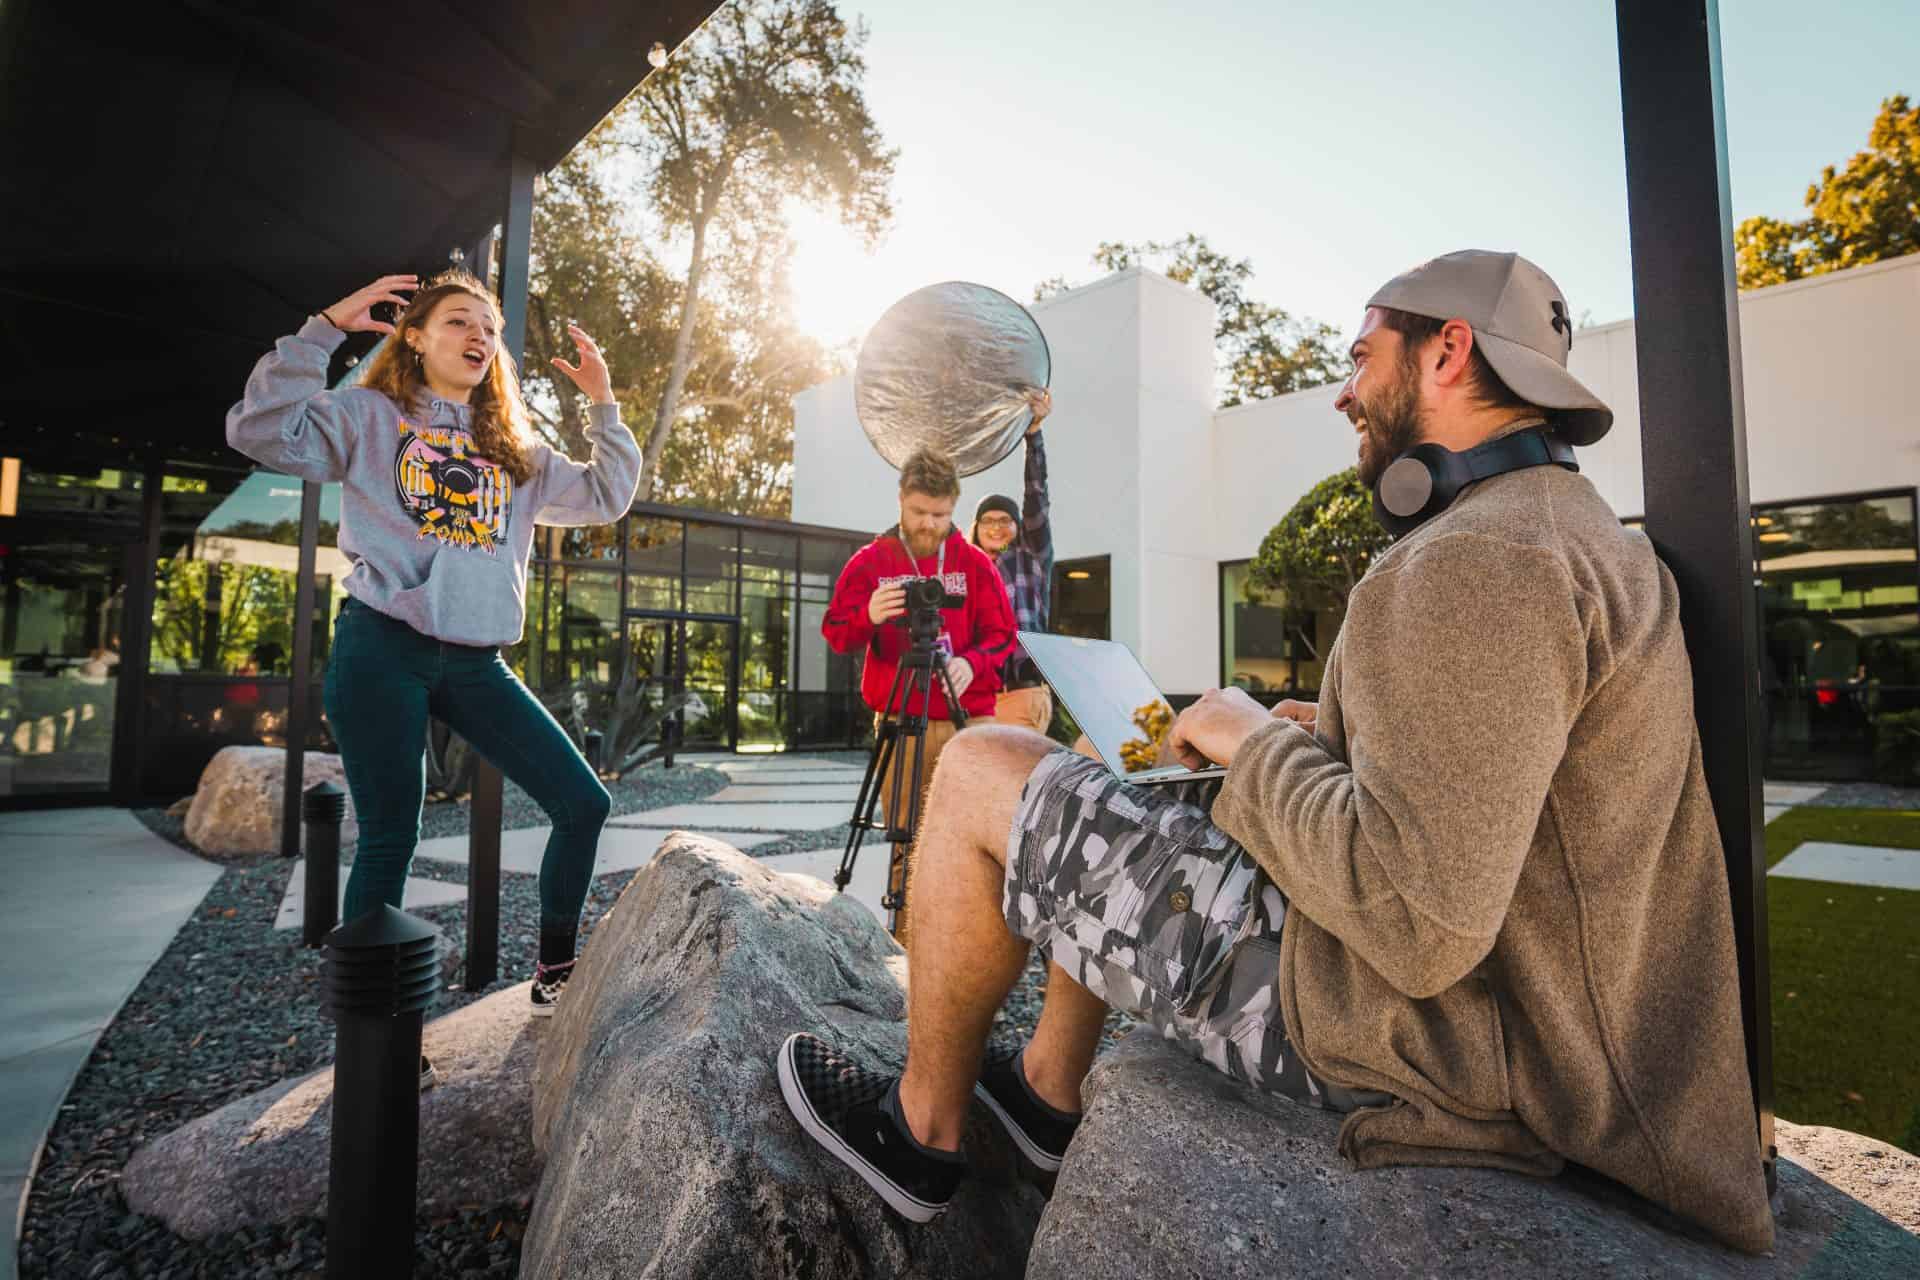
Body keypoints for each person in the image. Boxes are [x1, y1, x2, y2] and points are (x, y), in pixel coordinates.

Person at [775, 250, 1774, 1253]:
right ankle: (1044, 1092)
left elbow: (1415, 914)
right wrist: (1327, 736)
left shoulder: (1483, 559)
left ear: (1450, 350)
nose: (1346, 391)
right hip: (1517, 1030)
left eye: (1361, 356)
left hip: (1431, 1043)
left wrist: (1251, 740)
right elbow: (1496, 808)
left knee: (983, 762)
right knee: (1119, 763)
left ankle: (923, 1129)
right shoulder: (1569, 530)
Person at [226, 270, 639, 1060]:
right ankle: (372, 1037)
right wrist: (324, 326)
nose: (479, 336)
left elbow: (608, 493)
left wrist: (604, 403)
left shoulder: (515, 451)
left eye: (488, 327)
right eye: (457, 321)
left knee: (583, 804)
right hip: (384, 647)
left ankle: (555, 969)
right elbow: (260, 429)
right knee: (391, 835)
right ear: (414, 336)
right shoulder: (370, 417)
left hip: (477, 662)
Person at [822, 445, 1016, 933]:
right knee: (907, 838)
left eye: (941, 515)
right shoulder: (872, 561)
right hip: (901, 718)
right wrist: (868, 616)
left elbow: (1004, 636)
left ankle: (973, 943)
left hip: (968, 721)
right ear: (900, 500)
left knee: (978, 839)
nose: (929, 525)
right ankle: (908, 943)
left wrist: (972, 663)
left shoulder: (973, 564)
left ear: (953, 507)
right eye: (918, 512)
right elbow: (836, 632)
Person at [970, 389, 1056, 733]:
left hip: (1021, 692)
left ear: (1018, 528)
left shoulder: (1029, 558)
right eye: (987, 521)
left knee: (1017, 781)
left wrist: (1033, 435)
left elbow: (1036, 496)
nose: (996, 527)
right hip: (978, 696)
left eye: (1004, 520)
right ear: (975, 529)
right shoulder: (968, 569)